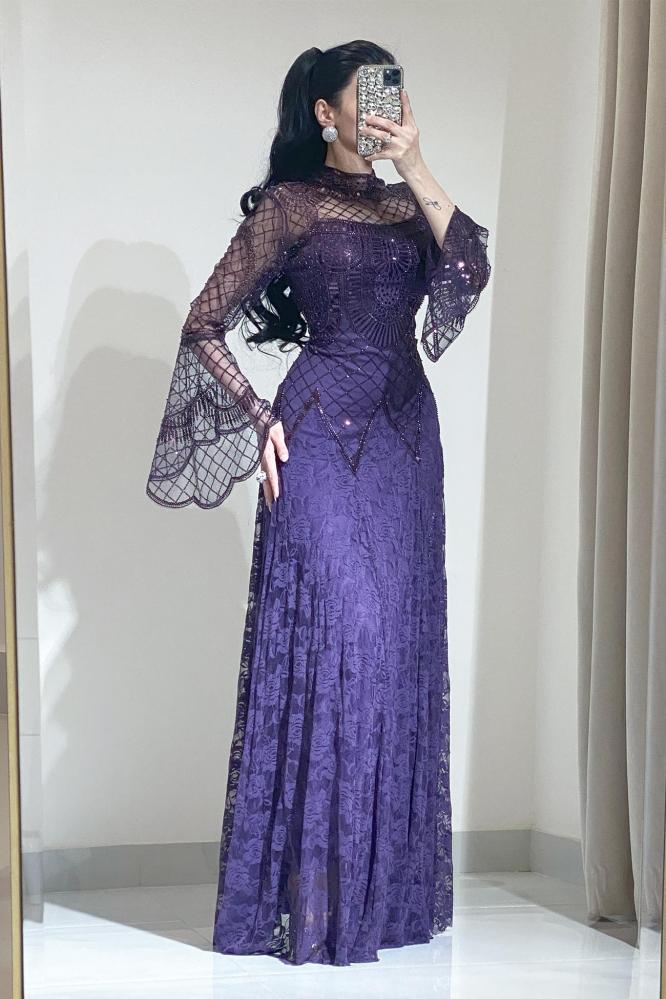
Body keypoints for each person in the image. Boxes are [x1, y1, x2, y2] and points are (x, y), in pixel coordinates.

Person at [146, 40, 491, 967]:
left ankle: (377, 898)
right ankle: (315, 901)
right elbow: (203, 322)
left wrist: (416, 162)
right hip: (317, 433)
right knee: (347, 640)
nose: (382, 112)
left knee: (395, 651)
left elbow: (469, 270)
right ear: (326, 114)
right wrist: (259, 415)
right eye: (364, 100)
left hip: (405, 441)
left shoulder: (408, 204)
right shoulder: (291, 207)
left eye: (393, 96)